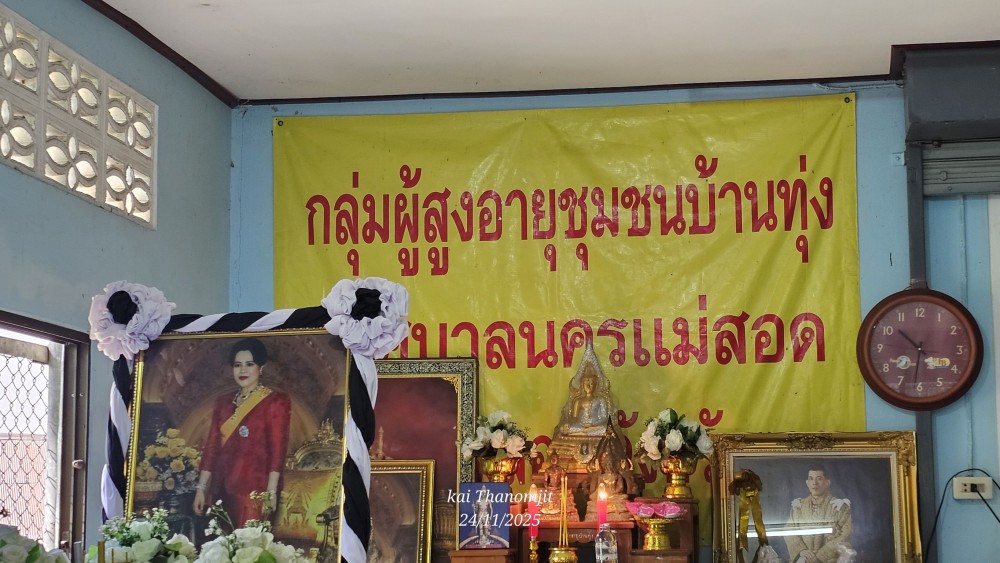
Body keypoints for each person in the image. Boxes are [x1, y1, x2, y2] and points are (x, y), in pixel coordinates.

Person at [193, 337, 292, 526]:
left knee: (249, 543)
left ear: (261, 368)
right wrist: (201, 489)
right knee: (219, 542)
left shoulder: (276, 401)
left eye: (249, 364)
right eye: (237, 365)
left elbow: (278, 450)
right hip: (221, 489)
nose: (243, 370)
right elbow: (212, 447)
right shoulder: (223, 403)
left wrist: (271, 492)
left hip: (255, 491)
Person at [784, 467, 852, 563]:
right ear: (807, 483)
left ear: (827, 482)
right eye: (811, 479)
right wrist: (802, 551)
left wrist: (820, 556)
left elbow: (846, 535)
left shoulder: (839, 507)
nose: (814, 483)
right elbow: (788, 531)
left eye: (819, 479)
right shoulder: (798, 506)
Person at [559, 368, 610, 436]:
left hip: (595, 426)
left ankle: (578, 434)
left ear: (595, 385)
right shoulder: (579, 401)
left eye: (591, 384)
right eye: (586, 384)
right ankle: (584, 433)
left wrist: (593, 424)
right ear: (582, 385)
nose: (588, 386)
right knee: (563, 428)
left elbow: (605, 418)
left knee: (605, 429)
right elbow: (574, 418)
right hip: (581, 425)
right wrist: (568, 423)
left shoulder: (601, 400)